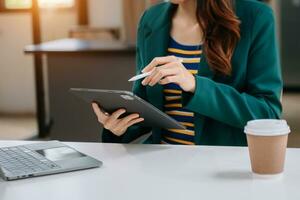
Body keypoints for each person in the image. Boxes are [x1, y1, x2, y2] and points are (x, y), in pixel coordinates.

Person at [92, 0, 282, 146]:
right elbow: (146, 109)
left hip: (222, 171)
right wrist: (117, 127)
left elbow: (267, 113)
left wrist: (195, 85)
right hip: (161, 166)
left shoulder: (256, 17)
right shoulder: (150, 19)